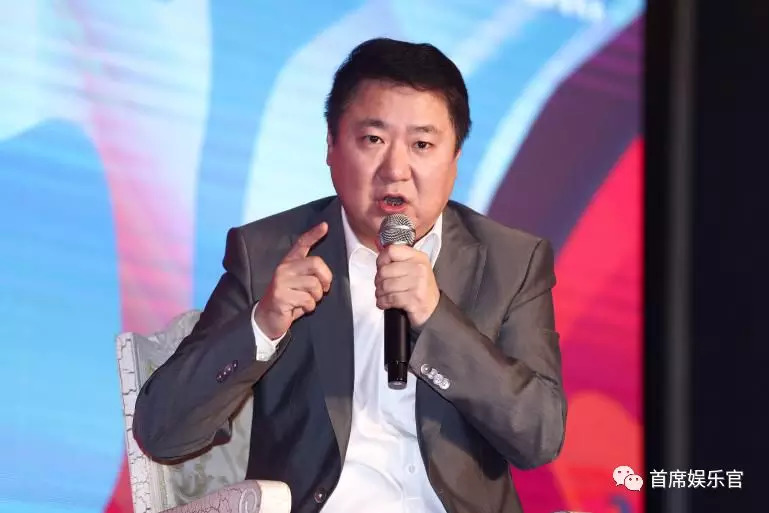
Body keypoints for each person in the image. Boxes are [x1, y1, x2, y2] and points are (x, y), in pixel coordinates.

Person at [133, 37, 566, 513]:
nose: (395, 170)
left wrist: (436, 319)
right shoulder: (269, 253)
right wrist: (263, 324)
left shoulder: (511, 262)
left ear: (455, 159)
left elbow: (539, 437)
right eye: (373, 140)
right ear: (331, 147)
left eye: (422, 145)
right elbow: (161, 435)